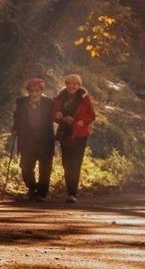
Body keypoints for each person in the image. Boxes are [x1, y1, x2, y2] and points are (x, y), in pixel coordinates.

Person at [53, 74, 96, 203]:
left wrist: (82, 121)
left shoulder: (84, 98)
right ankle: (69, 190)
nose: (72, 86)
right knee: (66, 163)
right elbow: (53, 113)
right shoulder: (60, 97)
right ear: (66, 84)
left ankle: (72, 193)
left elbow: (92, 115)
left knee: (75, 163)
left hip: (79, 134)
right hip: (65, 132)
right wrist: (58, 115)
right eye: (69, 83)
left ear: (79, 85)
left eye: (75, 84)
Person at [12, 77, 55, 201]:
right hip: (27, 140)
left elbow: (57, 117)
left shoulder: (49, 103)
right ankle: (32, 188)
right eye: (31, 91)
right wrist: (15, 128)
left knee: (45, 168)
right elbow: (17, 117)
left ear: (41, 91)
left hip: (45, 140)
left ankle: (42, 193)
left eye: (37, 90)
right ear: (28, 92)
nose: (34, 93)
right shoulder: (21, 102)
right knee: (25, 167)